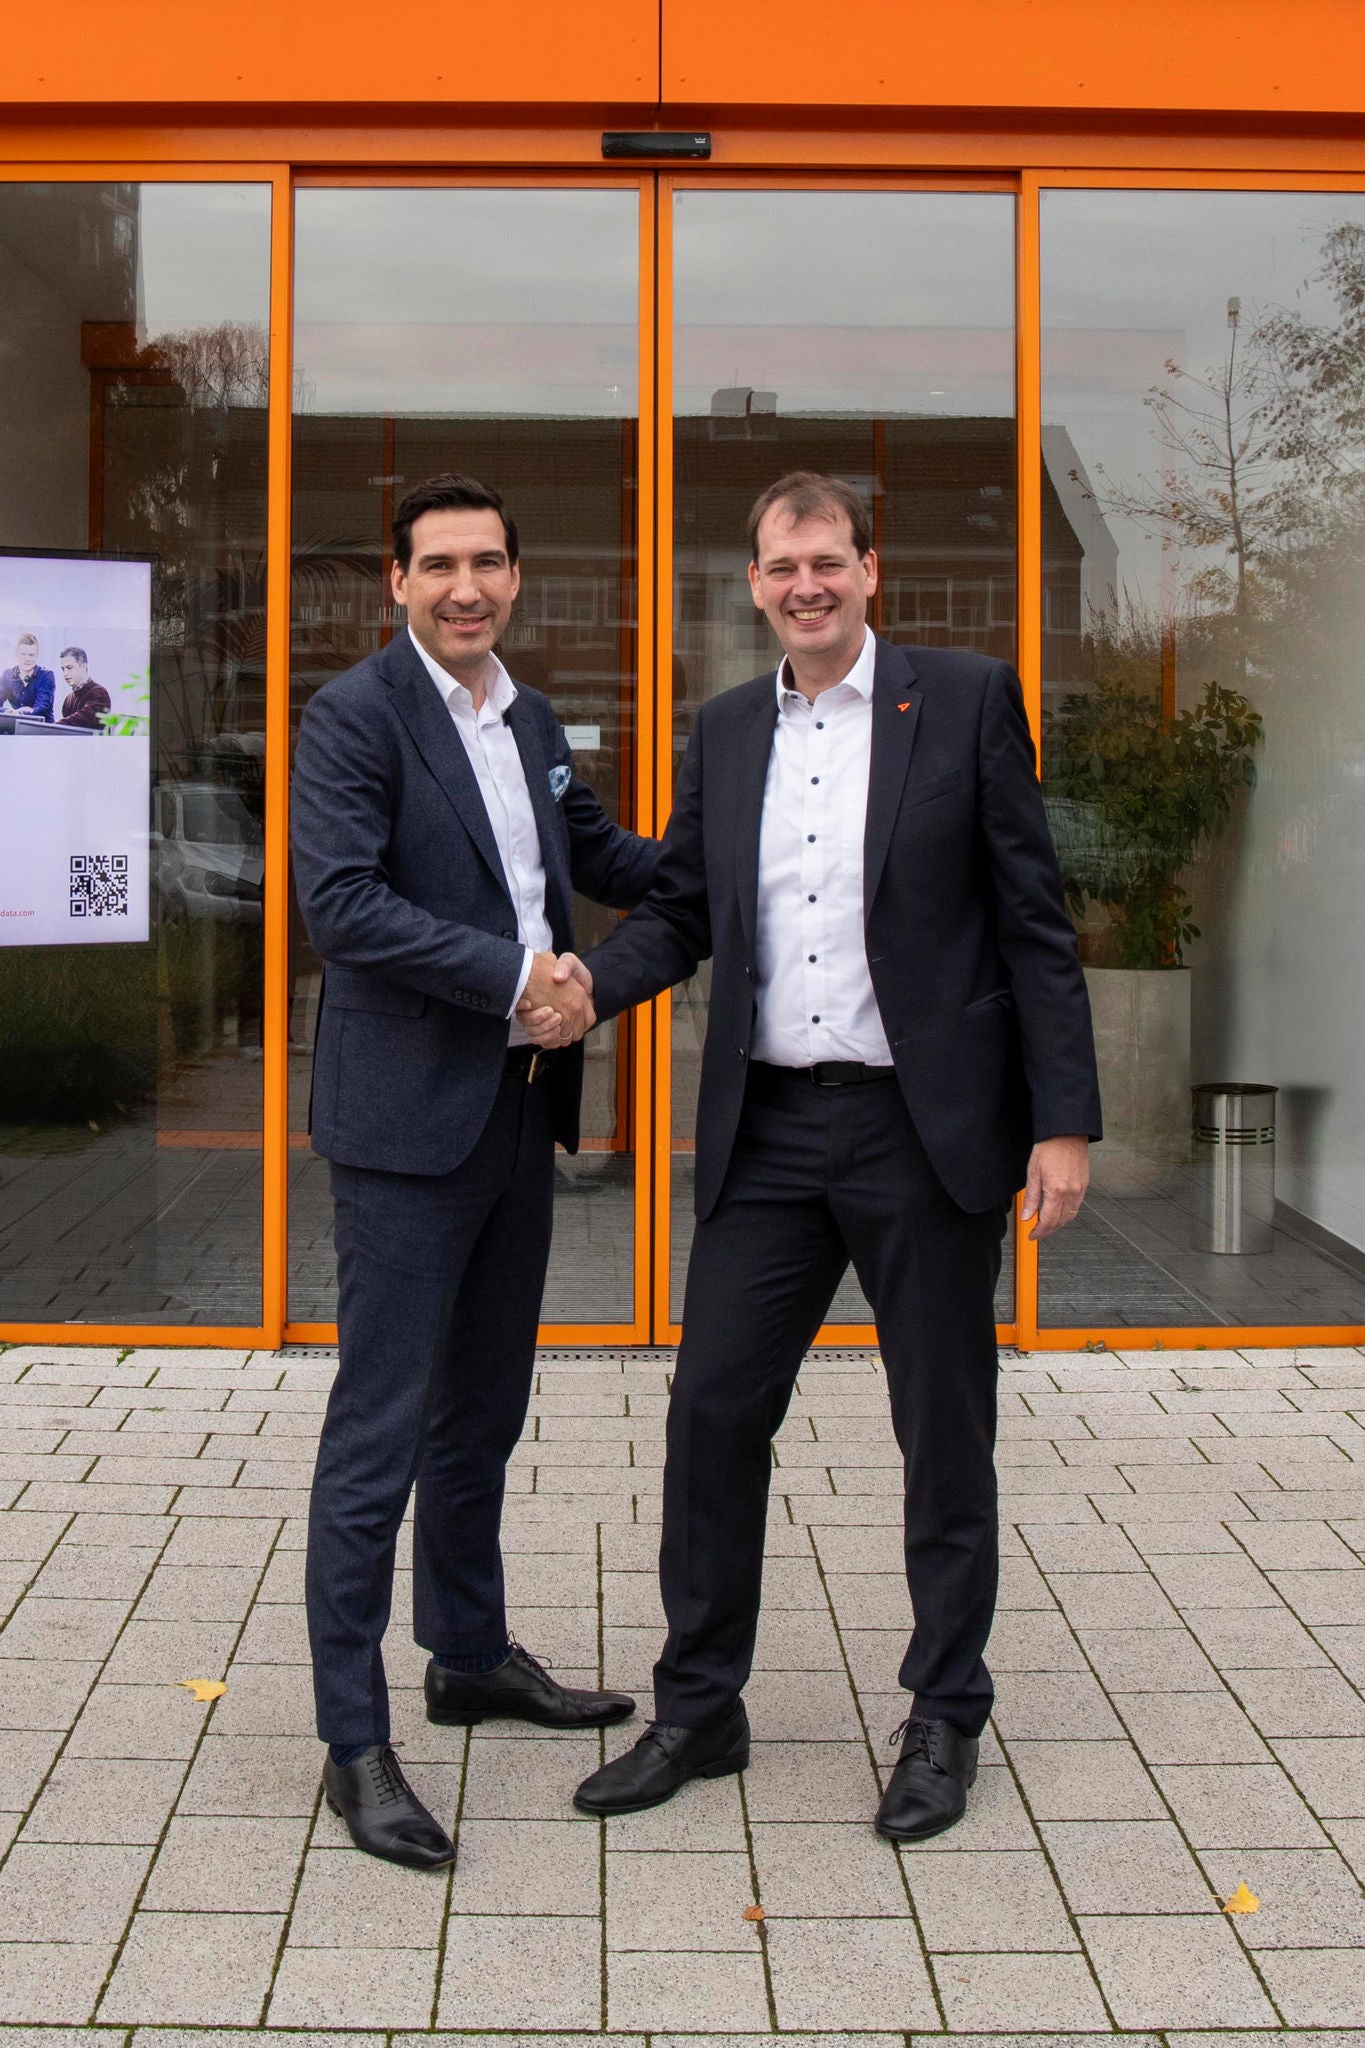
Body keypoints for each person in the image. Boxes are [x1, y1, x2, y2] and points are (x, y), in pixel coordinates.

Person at [533, 471, 1100, 1843]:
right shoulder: (724, 731)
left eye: (827, 561)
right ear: (754, 582)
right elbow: (682, 915)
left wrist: (1062, 1119)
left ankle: (945, 1710)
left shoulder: (963, 700)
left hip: (926, 1128)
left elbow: (1033, 918)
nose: (806, 585)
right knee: (712, 1416)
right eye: (782, 565)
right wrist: (591, 990)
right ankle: (700, 1705)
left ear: (867, 568)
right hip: (772, 1130)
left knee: (940, 1430)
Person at [290, 472, 657, 1871]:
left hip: (512, 1118)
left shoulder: (532, 714)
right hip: (403, 1126)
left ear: (517, 576)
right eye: (438, 564)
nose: (465, 587)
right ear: (396, 582)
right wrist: (523, 978)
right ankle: (353, 1740)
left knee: (484, 1411)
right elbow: (345, 908)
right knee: (378, 1433)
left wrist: (730, 852)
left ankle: (466, 1652)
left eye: (488, 563)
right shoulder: (355, 718)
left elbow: (590, 853)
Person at [1, 634, 55, 721]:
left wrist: (21, 713)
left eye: (31, 655)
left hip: (42, 728)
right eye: (23, 654)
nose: (27, 659)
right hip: (18, 727)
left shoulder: (46, 676)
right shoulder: (7, 675)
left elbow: (41, 707)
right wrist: (7, 711)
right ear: (16, 654)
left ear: (37, 656)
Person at [57, 646, 111, 729]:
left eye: (69, 668)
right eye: (63, 669)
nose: (65, 673)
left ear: (83, 666)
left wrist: (52, 726)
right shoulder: (68, 699)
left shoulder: (99, 693)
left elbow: (83, 719)